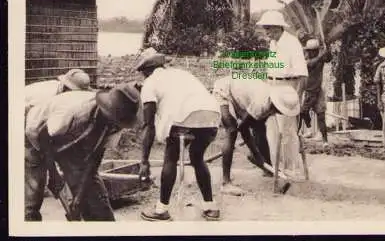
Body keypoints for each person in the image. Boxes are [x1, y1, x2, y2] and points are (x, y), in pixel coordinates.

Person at [25, 83, 141, 221]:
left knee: (94, 198)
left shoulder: (115, 126)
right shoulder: (75, 112)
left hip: (68, 137)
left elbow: (94, 158)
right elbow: (44, 137)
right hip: (36, 131)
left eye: (119, 122)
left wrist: (79, 198)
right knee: (34, 189)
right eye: (114, 120)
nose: (116, 125)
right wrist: (54, 174)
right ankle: (29, 222)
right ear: (106, 111)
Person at [136, 49, 221, 222]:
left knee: (170, 158)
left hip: (184, 117)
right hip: (212, 113)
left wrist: (144, 161)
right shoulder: (181, 73)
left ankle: (161, 210)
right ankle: (210, 207)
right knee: (197, 158)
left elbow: (148, 125)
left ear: (146, 71)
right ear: (162, 64)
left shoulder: (150, 83)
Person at [212, 75, 300, 196]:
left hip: (239, 95)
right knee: (231, 130)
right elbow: (243, 128)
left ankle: (268, 168)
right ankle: (226, 183)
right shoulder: (262, 103)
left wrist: (262, 161)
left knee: (260, 128)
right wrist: (255, 154)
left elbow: (257, 128)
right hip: (224, 91)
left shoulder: (270, 101)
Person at [24, 69, 91, 221]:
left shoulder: (66, 100)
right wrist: (52, 171)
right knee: (35, 172)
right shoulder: (44, 97)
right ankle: (30, 216)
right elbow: (33, 132)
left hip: (38, 126)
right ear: (66, 88)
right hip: (23, 122)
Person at [256, 10, 308, 171]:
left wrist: (297, 98)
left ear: (278, 27)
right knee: (272, 131)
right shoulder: (273, 44)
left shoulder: (292, 43)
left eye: (268, 28)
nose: (266, 32)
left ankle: (290, 168)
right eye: (265, 28)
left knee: (287, 132)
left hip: (288, 88)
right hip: (273, 87)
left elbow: (303, 75)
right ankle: (277, 168)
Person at [300, 39, 332, 147]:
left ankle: (325, 141)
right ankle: (309, 130)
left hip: (318, 91)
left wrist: (328, 49)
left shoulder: (320, 58)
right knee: (303, 112)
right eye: (309, 51)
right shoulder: (306, 60)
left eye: (313, 51)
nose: (310, 52)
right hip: (309, 92)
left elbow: (328, 58)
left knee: (321, 116)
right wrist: (322, 55)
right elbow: (311, 65)